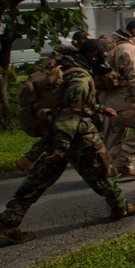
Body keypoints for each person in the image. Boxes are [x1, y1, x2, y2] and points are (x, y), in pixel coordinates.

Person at [0, 39, 135, 244]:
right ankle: (121, 207)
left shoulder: (64, 67)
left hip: (55, 132)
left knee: (37, 180)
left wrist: (100, 109)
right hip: (76, 136)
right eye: (102, 57)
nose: (104, 61)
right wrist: (61, 146)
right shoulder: (80, 78)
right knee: (104, 169)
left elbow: (71, 102)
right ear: (93, 56)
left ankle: (8, 224)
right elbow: (71, 113)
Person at [14, 30, 91, 173]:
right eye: (86, 40)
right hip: (61, 101)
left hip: (53, 101)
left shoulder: (58, 56)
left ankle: (28, 159)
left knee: (53, 133)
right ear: (78, 42)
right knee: (62, 132)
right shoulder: (72, 58)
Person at [99, 19, 135, 181]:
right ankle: (122, 161)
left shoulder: (111, 48)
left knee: (113, 137)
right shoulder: (128, 49)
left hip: (107, 100)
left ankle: (111, 170)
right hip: (125, 100)